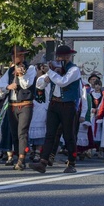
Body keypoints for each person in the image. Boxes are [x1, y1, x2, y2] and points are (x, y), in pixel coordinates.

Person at [30, 45, 82, 174]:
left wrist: (50, 73)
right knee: (50, 134)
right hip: (54, 104)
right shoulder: (54, 71)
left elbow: (63, 82)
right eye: (58, 57)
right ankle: (43, 162)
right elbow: (40, 85)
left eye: (61, 57)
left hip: (68, 105)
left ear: (68, 57)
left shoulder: (74, 70)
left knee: (69, 135)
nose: (59, 59)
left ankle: (72, 163)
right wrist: (46, 77)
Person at [0, 46, 37, 171]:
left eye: (15, 56)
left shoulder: (30, 69)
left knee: (22, 132)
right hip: (12, 104)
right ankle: (17, 157)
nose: (13, 58)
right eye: (12, 56)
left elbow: (26, 85)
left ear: (22, 56)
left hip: (25, 104)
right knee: (14, 133)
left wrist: (20, 76)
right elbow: (1, 85)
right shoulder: (9, 70)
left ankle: (22, 158)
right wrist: (9, 86)